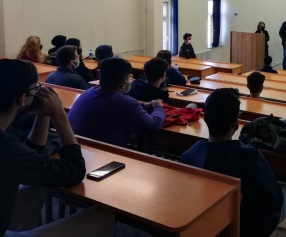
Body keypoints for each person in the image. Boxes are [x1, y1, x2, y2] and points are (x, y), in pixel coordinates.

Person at [180, 88, 286, 237]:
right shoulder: (248, 155)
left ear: (206, 119)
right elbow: (274, 198)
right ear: (236, 124)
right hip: (251, 227)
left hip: (214, 226)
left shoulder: (188, 156)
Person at [0, 59, 114, 237]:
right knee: (103, 216)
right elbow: (74, 171)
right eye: (35, 90)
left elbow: (30, 156)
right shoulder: (7, 149)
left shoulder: (10, 148)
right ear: (22, 98)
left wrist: (43, 115)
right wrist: (58, 113)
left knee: (35, 187)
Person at [68, 57, 166, 147]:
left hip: (79, 148)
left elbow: (116, 106)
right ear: (123, 83)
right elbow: (154, 126)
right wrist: (158, 107)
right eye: (128, 79)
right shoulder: (124, 103)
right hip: (105, 155)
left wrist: (143, 105)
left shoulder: (88, 92)